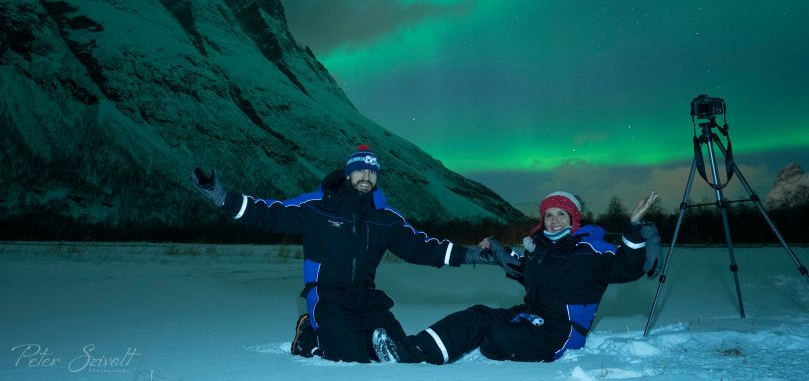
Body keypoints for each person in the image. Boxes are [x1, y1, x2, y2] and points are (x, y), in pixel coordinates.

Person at [191, 144, 493, 363]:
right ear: (349, 174)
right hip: (327, 296)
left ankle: (361, 339)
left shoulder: (384, 217)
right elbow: (271, 214)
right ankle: (309, 333)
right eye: (360, 169)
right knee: (350, 358)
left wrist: (470, 256)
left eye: (372, 171)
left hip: (365, 297)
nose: (366, 175)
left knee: (399, 351)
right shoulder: (318, 207)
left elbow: (422, 247)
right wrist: (223, 199)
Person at [372, 189, 662, 364]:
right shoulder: (541, 250)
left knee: (494, 336)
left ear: (573, 219)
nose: (554, 220)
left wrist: (634, 227)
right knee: (477, 315)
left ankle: (451, 348)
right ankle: (410, 351)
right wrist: (497, 250)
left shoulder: (590, 250)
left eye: (561, 214)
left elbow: (628, 267)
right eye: (549, 215)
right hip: (530, 317)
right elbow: (520, 268)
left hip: (559, 334)